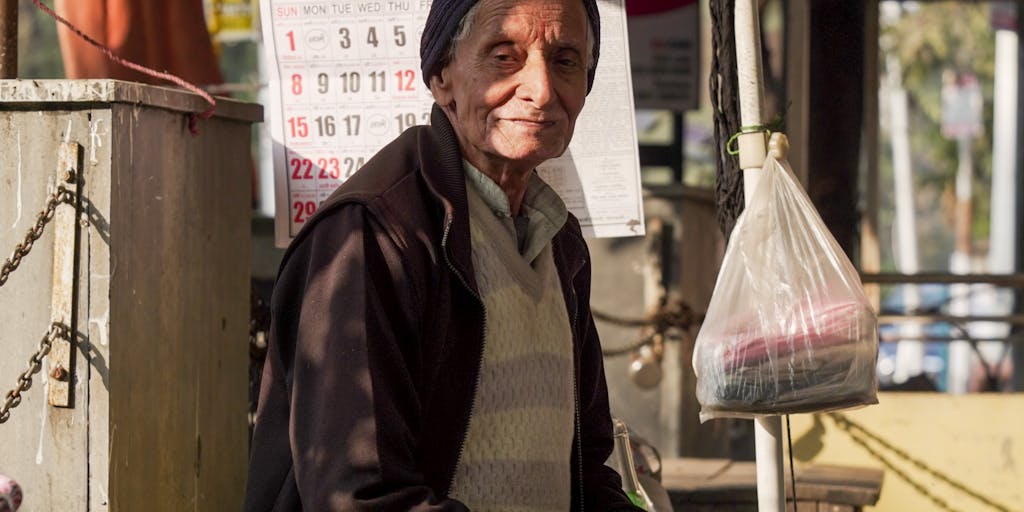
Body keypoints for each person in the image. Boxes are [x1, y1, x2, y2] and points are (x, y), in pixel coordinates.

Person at [243, 0, 642, 510]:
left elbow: (584, 474)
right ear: (441, 78)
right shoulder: (374, 233)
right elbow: (358, 496)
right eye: (504, 56)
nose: (541, 90)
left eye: (565, 60)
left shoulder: (558, 242)